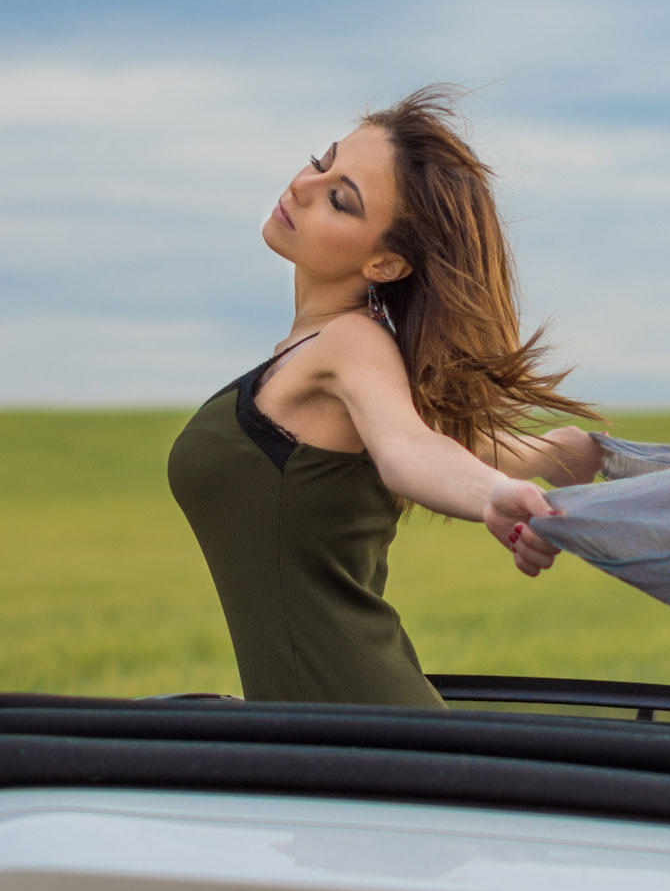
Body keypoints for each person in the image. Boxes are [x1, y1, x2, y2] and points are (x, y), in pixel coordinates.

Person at [166, 84, 604, 707]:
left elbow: (409, 448)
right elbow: (471, 445)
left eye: (341, 201)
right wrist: (576, 454)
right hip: (343, 734)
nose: (302, 187)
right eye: (322, 162)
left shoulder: (351, 345)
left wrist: (494, 498)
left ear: (386, 264)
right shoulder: (326, 356)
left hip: (361, 743)